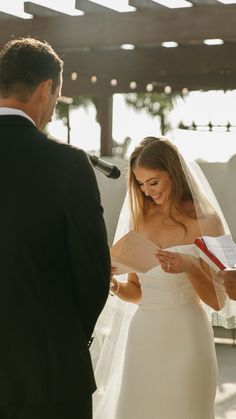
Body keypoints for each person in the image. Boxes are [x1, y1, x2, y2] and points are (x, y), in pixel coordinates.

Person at [0, 37, 110, 419]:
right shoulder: (69, 165)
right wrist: (65, 333)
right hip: (51, 371)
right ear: (46, 89)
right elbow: (94, 272)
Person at [93, 136, 230, 419]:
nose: (147, 192)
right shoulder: (141, 218)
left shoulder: (206, 221)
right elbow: (136, 291)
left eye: (153, 182)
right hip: (143, 337)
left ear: (174, 173)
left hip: (187, 339)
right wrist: (114, 285)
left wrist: (191, 266)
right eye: (141, 185)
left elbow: (218, 302)